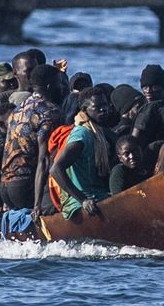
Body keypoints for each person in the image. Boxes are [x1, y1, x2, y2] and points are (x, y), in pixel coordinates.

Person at [0, 64, 63, 212]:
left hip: (5, 188)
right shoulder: (51, 112)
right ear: (49, 86)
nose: (62, 87)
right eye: (59, 83)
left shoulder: (19, 109)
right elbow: (44, 160)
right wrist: (37, 204)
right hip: (25, 188)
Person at [49, 89, 116, 219]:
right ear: (85, 110)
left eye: (105, 105)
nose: (103, 110)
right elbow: (55, 169)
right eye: (97, 107)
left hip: (98, 193)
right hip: (82, 201)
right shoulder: (82, 134)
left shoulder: (98, 131)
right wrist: (82, 199)